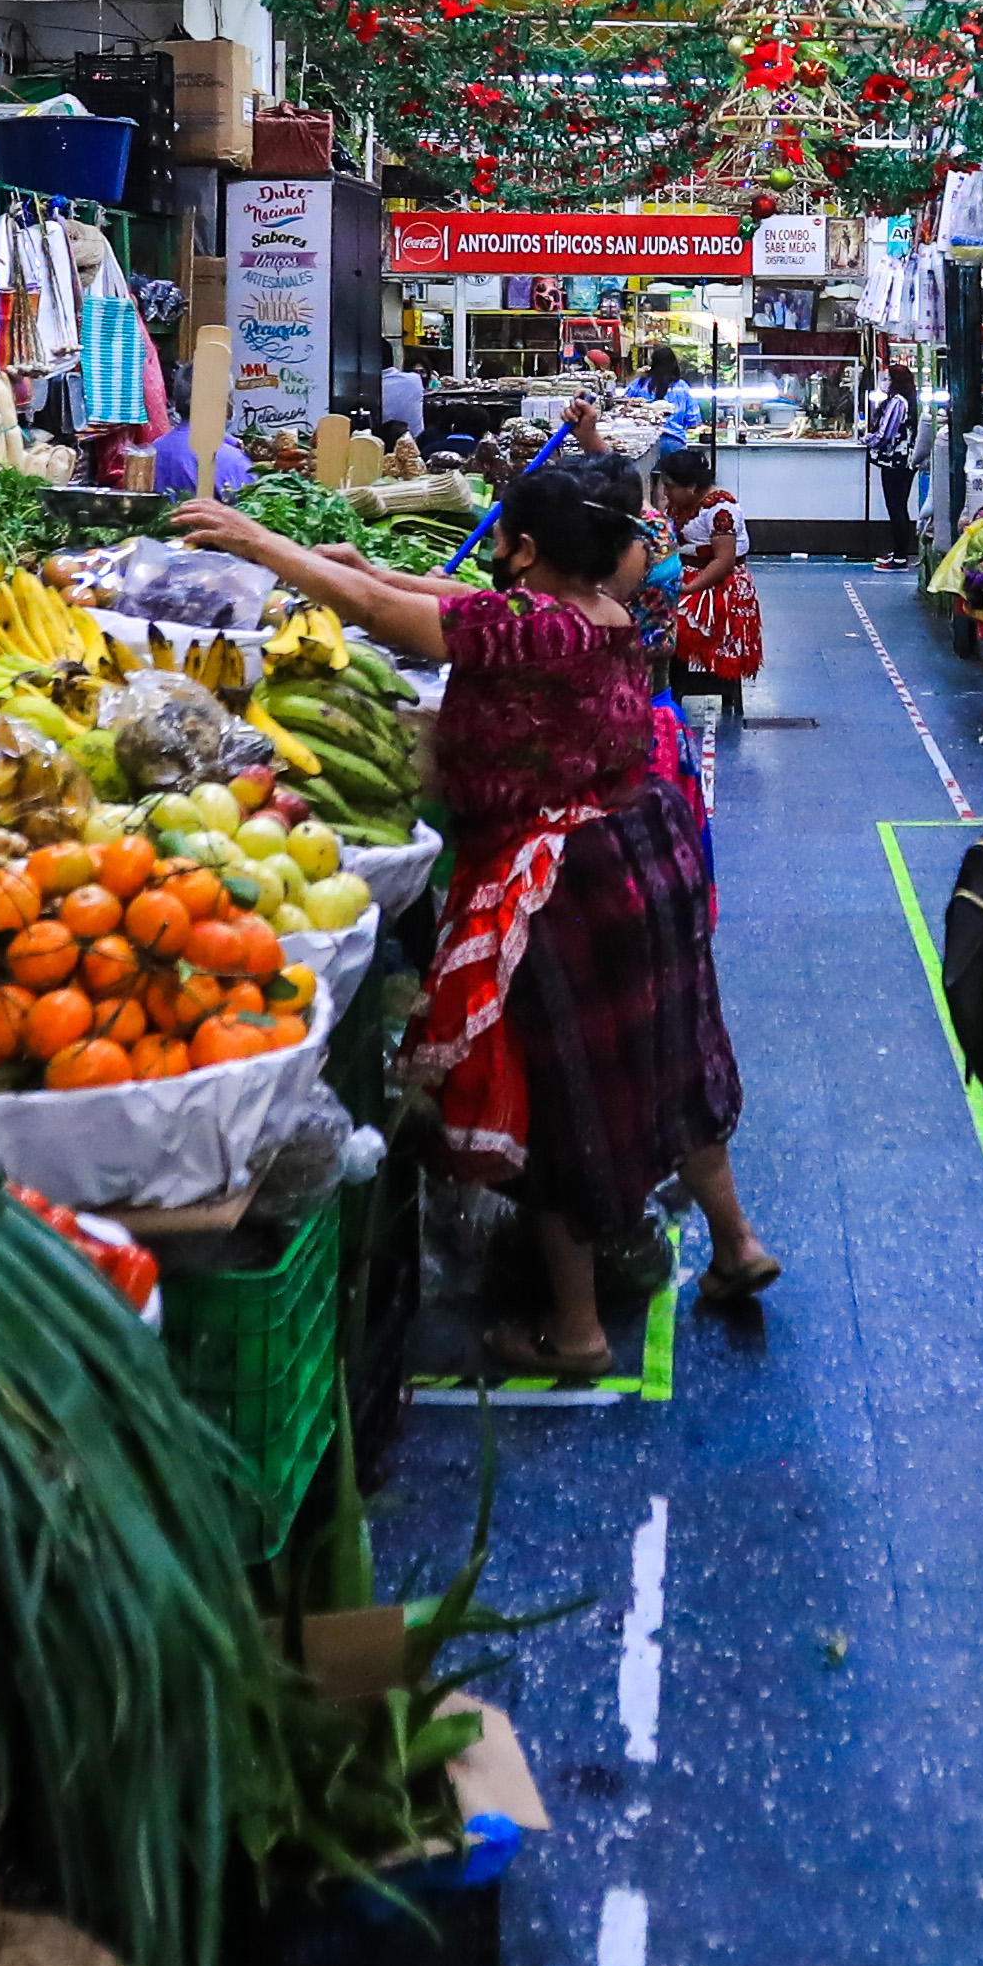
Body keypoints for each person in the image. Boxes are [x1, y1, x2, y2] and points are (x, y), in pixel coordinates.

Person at [173, 457, 775, 1371]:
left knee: (555, 1099)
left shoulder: (520, 629)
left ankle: (575, 1330)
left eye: (504, 546)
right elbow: (458, 600)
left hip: (559, 888)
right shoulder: (605, 612)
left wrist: (264, 544)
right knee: (670, 1060)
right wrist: (374, 568)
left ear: (525, 550)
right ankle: (738, 1244)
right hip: (642, 857)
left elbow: (393, 616)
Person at [658, 442, 760, 718]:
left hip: (719, 584)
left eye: (669, 486)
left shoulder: (721, 510)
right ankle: (665, 686)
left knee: (664, 617)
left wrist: (687, 588)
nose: (665, 493)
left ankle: (667, 687)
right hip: (689, 574)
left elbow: (723, 562)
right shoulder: (683, 503)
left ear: (691, 487)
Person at [862, 373, 929, 551]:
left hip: (896, 461)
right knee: (899, 506)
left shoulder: (897, 402)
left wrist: (867, 440)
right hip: (905, 461)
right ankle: (899, 553)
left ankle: (900, 555)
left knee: (895, 507)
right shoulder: (909, 401)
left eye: (887, 379)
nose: (883, 383)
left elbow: (885, 433)